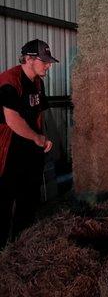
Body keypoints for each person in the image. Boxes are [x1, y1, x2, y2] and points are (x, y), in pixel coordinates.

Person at [0, 39, 59, 248]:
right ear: (29, 59)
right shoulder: (9, 81)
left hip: (30, 154)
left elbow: (40, 115)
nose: (49, 65)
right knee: (4, 202)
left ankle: (20, 247)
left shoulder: (37, 83)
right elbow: (12, 119)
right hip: (8, 155)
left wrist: (45, 138)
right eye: (45, 61)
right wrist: (37, 138)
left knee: (28, 201)